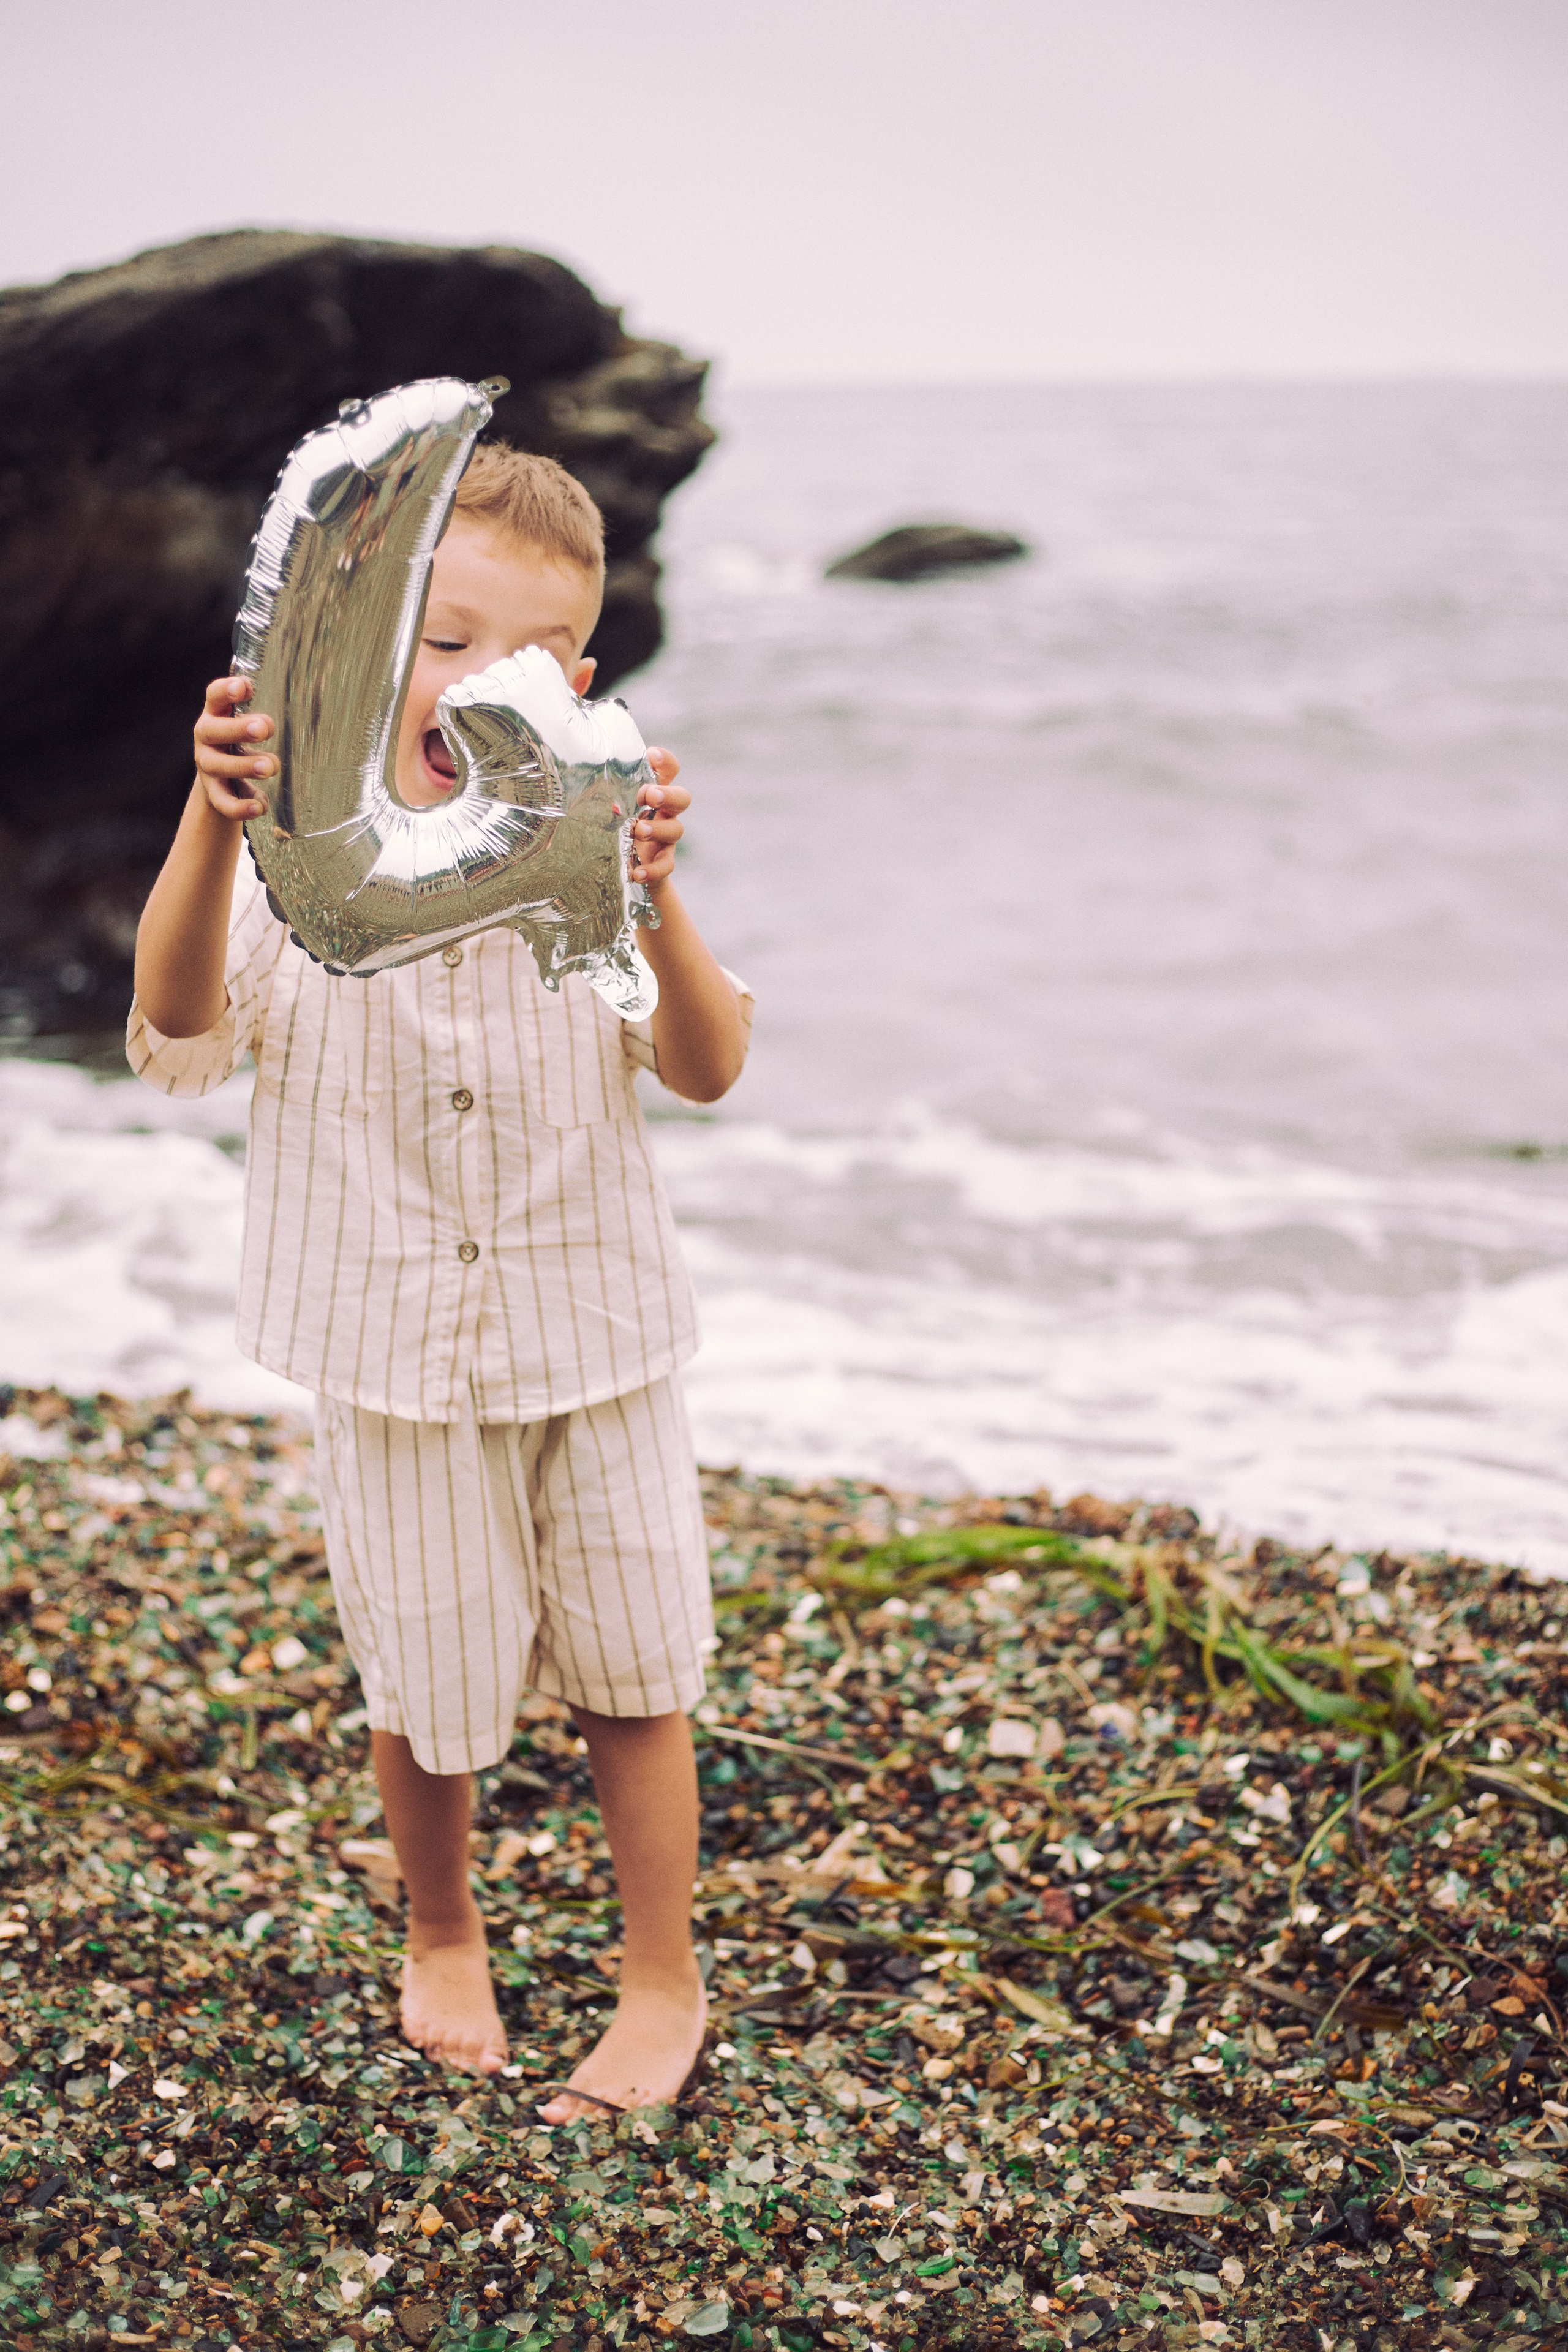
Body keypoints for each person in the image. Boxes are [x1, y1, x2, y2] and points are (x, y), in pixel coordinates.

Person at [129, 445, 751, 2116]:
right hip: (389, 1349)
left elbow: (708, 1065)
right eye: (444, 639)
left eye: (526, 657)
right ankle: (444, 1928)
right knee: (428, 1685)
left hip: (596, 1333)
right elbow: (179, 1024)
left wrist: (658, 898)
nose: (478, 683)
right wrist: (209, 819)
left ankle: (662, 1980)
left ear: (579, 690)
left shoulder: (590, 865)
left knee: (639, 1675)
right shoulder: (298, 858)